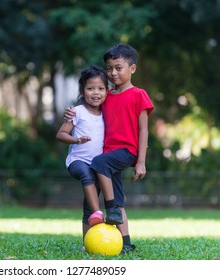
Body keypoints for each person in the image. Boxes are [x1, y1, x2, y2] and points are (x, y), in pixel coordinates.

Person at [65, 43, 154, 254]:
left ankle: (111, 207)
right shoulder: (107, 96)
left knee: (102, 173)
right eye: (109, 68)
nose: (113, 72)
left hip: (125, 151)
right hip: (107, 156)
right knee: (95, 201)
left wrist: (140, 161)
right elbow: (88, 107)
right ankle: (124, 243)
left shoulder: (139, 94)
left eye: (118, 67)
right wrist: (71, 113)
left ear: (132, 69)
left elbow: (143, 130)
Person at [57, 65, 122, 241]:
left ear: (107, 91)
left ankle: (87, 242)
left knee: (87, 207)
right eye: (90, 88)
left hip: (98, 166)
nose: (96, 93)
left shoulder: (106, 113)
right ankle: (98, 212)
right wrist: (77, 140)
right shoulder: (77, 112)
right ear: (83, 90)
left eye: (101, 88)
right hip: (77, 161)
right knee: (86, 176)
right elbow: (61, 134)